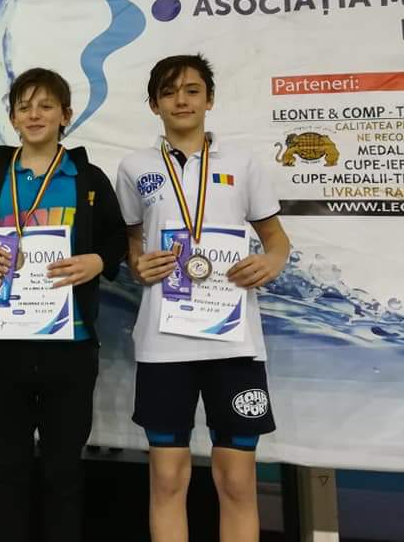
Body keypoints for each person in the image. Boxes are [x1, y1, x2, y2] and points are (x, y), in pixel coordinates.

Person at [0, 68, 128, 542]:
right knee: (7, 468)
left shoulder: (86, 179)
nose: (34, 115)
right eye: (24, 107)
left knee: (63, 471)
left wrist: (97, 260)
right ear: (12, 118)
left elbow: (118, 240)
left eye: (46, 106)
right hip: (6, 343)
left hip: (72, 343)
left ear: (66, 115)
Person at [115, 54, 291, 542]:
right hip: (164, 344)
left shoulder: (242, 163)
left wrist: (272, 262)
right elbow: (131, 241)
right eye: (169, 92)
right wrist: (137, 262)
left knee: (236, 482)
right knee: (168, 479)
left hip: (234, 343)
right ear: (154, 104)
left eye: (192, 90)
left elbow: (276, 239)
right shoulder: (134, 167)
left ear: (209, 99)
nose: (182, 100)